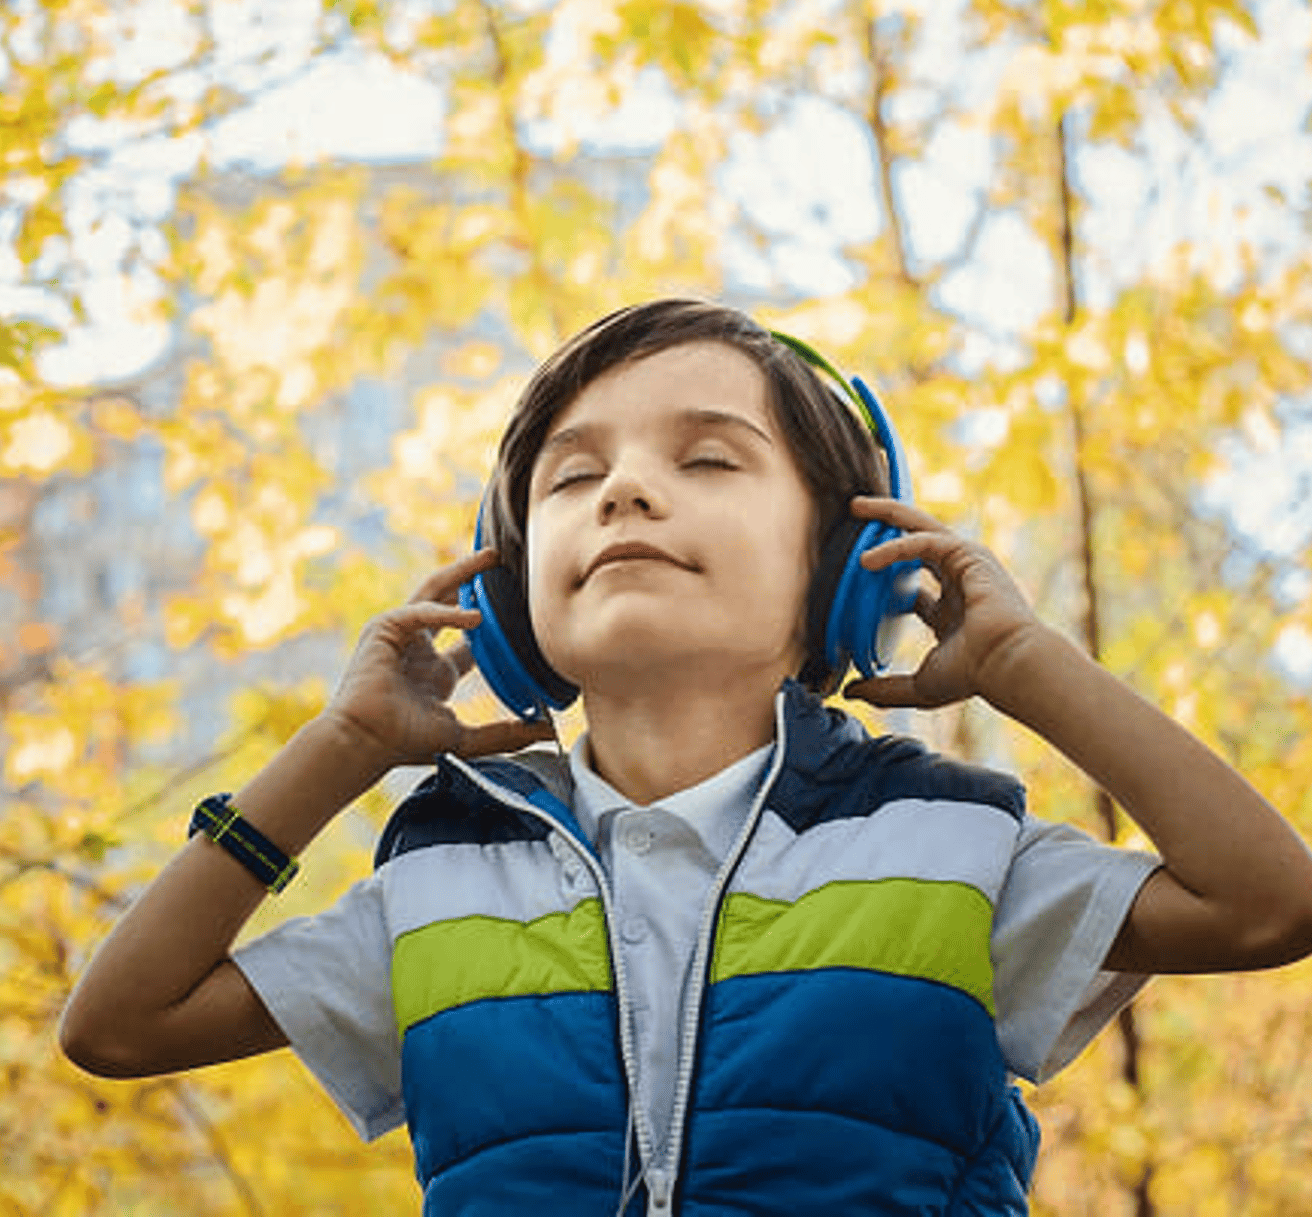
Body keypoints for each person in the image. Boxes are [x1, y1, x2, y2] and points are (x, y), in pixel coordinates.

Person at [61, 299, 1312, 1215]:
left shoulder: (948, 845)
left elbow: (1267, 902)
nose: (625, 492)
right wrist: (339, 751)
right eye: (573, 476)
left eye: (706, 456)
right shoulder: (440, 886)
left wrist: (1027, 663)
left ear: (841, 573)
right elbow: (118, 1023)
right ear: (505, 595)